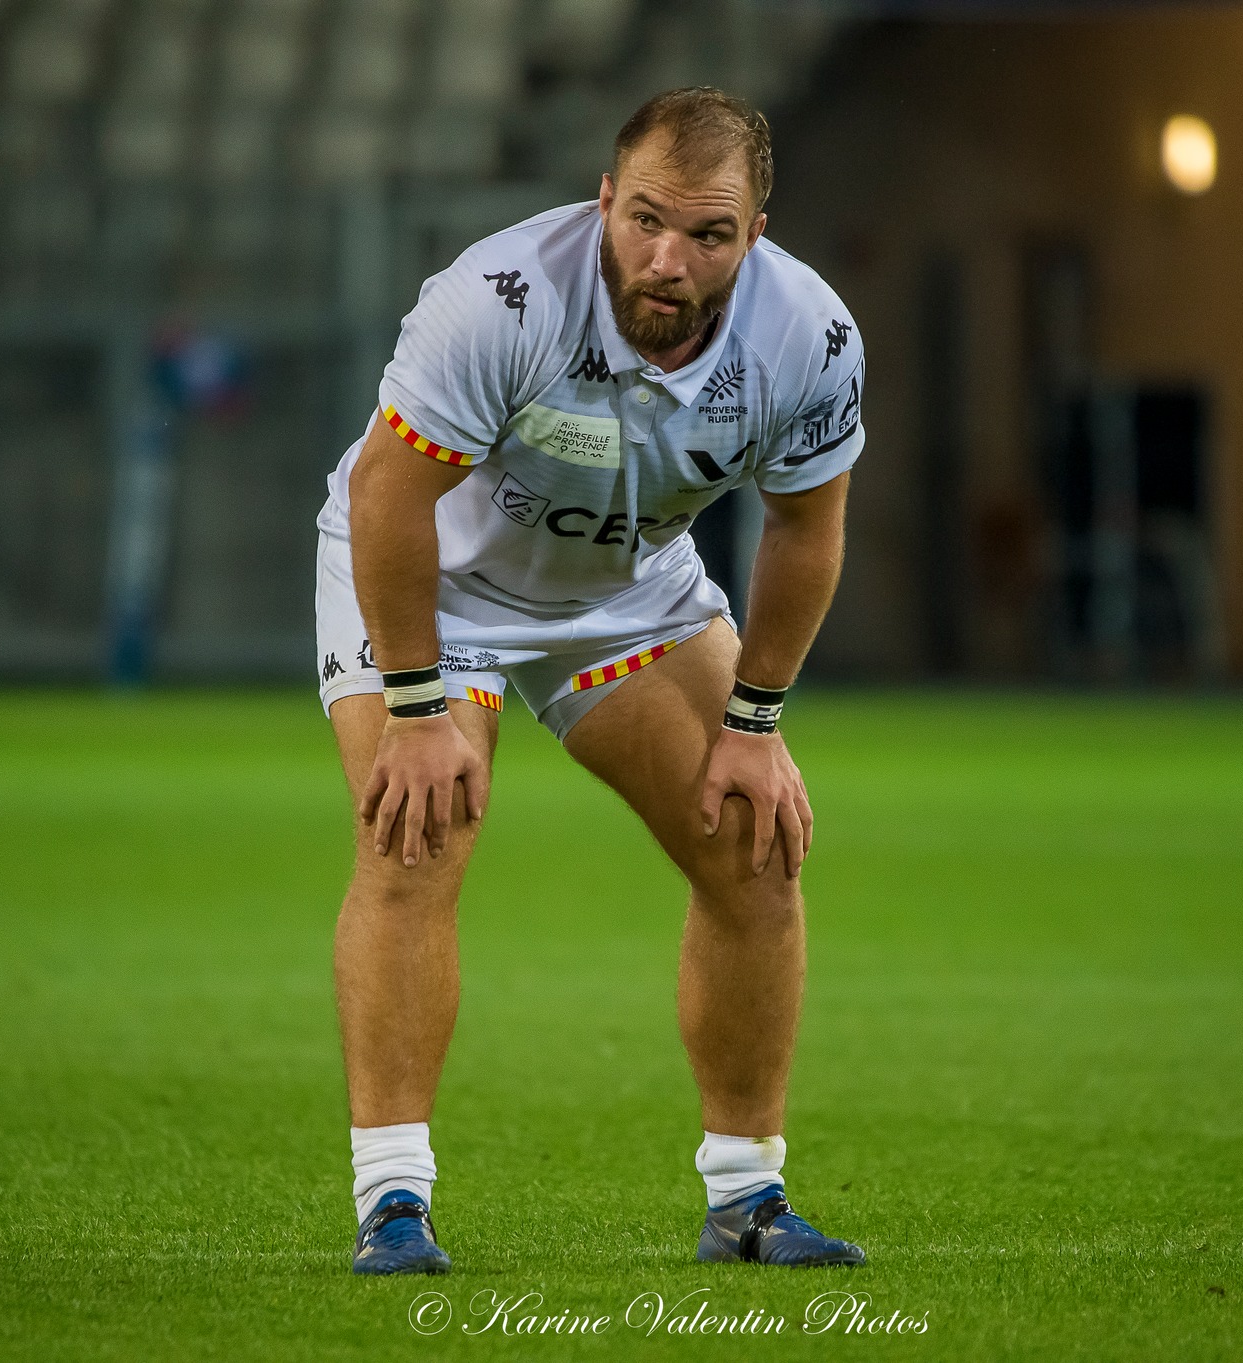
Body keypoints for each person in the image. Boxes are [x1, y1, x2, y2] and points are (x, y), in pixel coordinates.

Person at [314, 88, 870, 1273]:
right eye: (648, 221)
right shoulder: (500, 299)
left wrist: (755, 721)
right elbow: (386, 497)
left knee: (753, 839)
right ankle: (392, 1201)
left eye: (709, 235)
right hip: (438, 585)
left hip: (622, 588)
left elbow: (804, 531)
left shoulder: (808, 339)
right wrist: (415, 706)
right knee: (417, 835)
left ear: (755, 236)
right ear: (605, 200)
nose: (669, 260)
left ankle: (746, 1198)